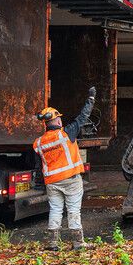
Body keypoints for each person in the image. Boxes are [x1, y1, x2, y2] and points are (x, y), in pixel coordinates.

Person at [34, 86, 96, 251]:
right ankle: (78, 243)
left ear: (46, 124)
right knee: (73, 210)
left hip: (52, 182)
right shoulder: (66, 133)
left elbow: (39, 164)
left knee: (55, 210)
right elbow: (83, 117)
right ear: (58, 121)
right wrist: (90, 99)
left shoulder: (38, 143)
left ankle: (52, 243)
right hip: (70, 180)